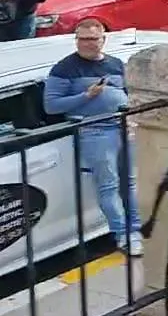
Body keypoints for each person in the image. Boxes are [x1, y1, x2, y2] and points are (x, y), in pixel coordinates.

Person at [42, 19, 143, 256]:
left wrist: (131, 116)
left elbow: (127, 93)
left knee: (129, 182)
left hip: (122, 127)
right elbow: (51, 106)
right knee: (109, 185)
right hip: (94, 131)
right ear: (76, 40)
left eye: (93, 39)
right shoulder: (64, 69)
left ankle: (137, 229)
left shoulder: (115, 64)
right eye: (82, 39)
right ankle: (123, 235)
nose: (87, 43)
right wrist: (86, 96)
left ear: (103, 40)